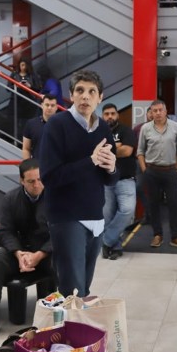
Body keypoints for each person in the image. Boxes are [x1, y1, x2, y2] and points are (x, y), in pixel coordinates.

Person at [38, 70, 118, 297]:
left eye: (92, 91)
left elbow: (109, 179)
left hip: (95, 216)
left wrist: (111, 167)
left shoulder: (103, 128)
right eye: (80, 91)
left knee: (84, 286)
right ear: (71, 96)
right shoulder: (56, 125)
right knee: (72, 289)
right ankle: (68, 331)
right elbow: (50, 177)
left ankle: (74, 330)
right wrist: (90, 161)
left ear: (99, 97)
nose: (85, 96)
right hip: (66, 217)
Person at [0, 158, 54, 343]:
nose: (37, 184)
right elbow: (4, 231)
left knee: (61, 262)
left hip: (46, 253)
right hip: (20, 252)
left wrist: (40, 254)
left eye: (40, 179)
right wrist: (18, 253)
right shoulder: (11, 198)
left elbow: (61, 233)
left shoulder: (54, 198)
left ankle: (51, 317)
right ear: (21, 181)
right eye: (31, 181)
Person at [137, 99, 177, 249]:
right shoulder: (145, 128)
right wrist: (144, 170)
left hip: (170, 171)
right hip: (151, 172)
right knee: (154, 205)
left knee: (174, 204)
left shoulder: (175, 127)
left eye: (160, 110)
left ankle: (175, 237)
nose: (158, 113)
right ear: (151, 113)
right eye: (155, 111)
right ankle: (157, 235)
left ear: (166, 111)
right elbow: (140, 151)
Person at [101, 103, 137, 260]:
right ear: (103, 116)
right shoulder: (97, 132)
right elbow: (95, 152)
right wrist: (117, 147)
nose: (110, 116)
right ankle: (114, 247)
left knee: (127, 211)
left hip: (125, 180)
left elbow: (127, 151)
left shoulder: (126, 130)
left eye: (112, 113)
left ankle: (105, 241)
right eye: (107, 114)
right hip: (105, 181)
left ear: (117, 115)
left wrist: (107, 149)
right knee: (107, 216)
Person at [21, 93, 60, 160]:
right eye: (47, 105)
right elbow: (26, 149)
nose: (49, 108)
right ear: (42, 105)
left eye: (52, 105)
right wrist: (29, 168)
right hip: (37, 167)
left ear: (56, 107)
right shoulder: (31, 124)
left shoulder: (64, 125)